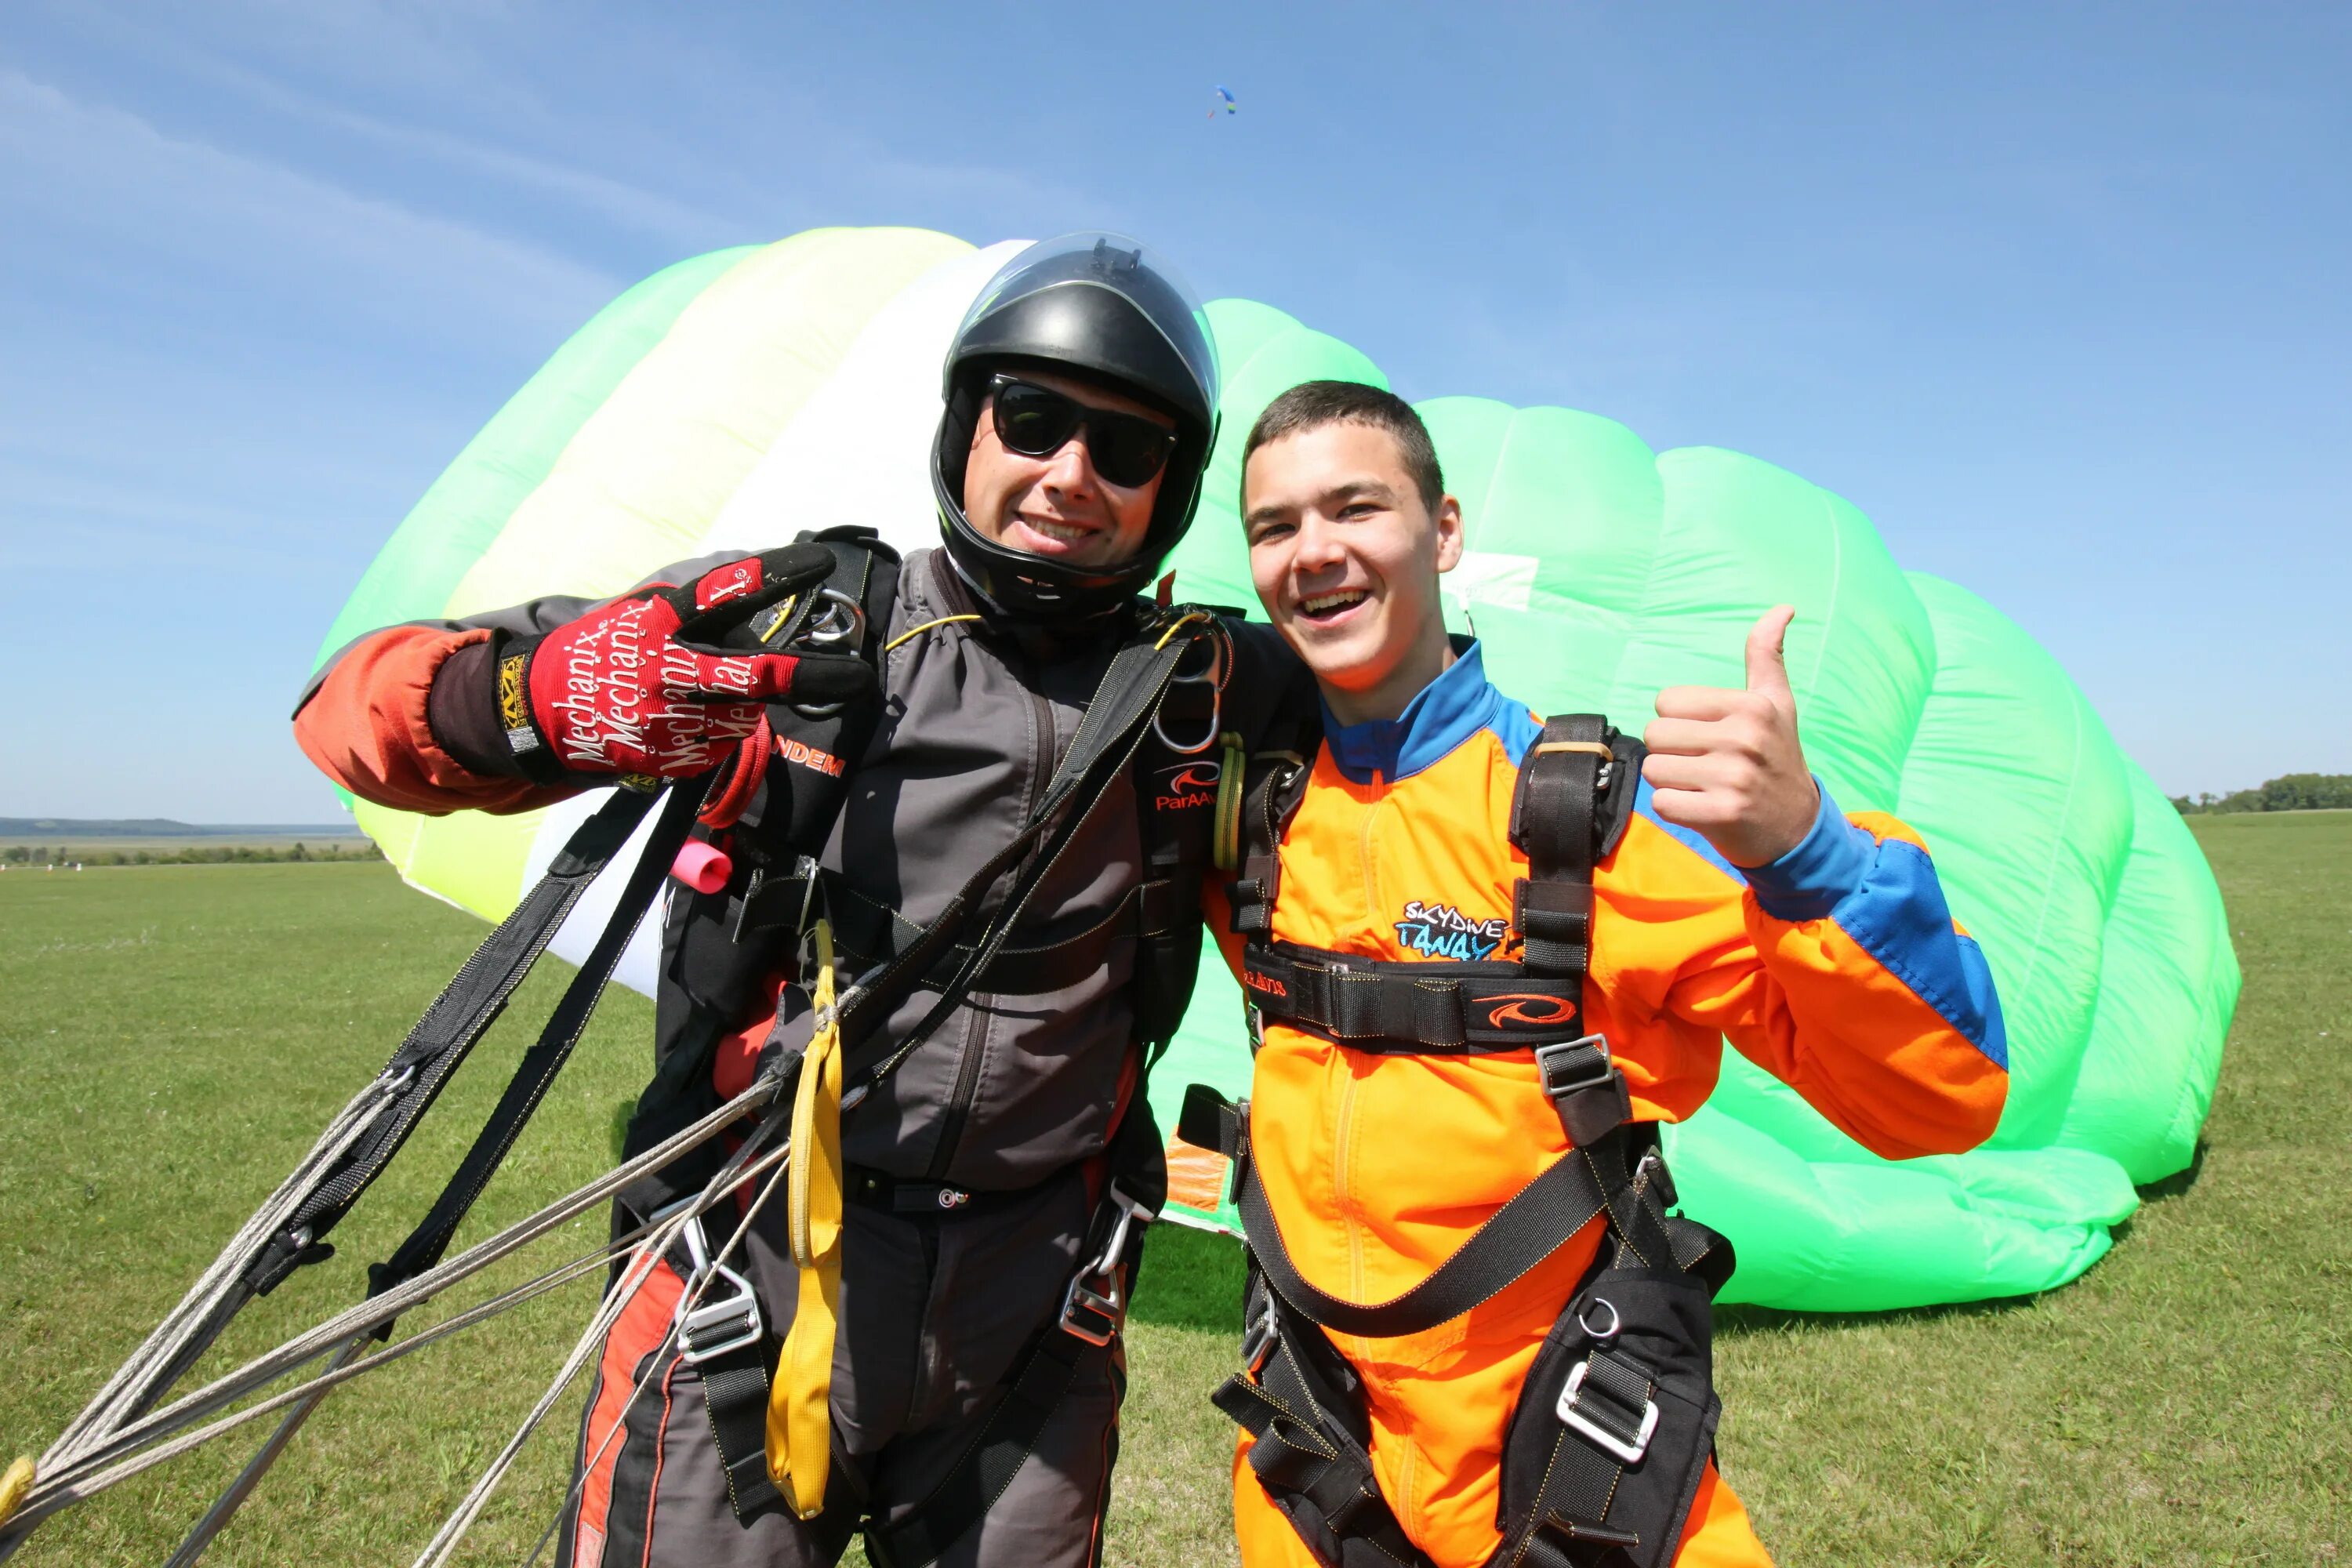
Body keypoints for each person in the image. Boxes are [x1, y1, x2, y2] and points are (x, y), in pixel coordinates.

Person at [295, 233, 1302, 1568]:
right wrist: (536, 701)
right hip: (748, 1284)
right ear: (966, 428)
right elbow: (354, 713)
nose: (1071, 476)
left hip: (1034, 1322)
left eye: (1126, 451)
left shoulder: (1210, 696)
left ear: (1169, 491)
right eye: (1036, 420)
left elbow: (1448, 747)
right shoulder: (797, 633)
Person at [1193, 381, 2009, 1568]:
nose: (1315, 552)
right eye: (1276, 527)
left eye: (1355, 509)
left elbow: (1938, 1100)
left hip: (1584, 1481)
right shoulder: (1250, 816)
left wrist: (1810, 853)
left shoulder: (1590, 822)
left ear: (1447, 531)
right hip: (1319, 1482)